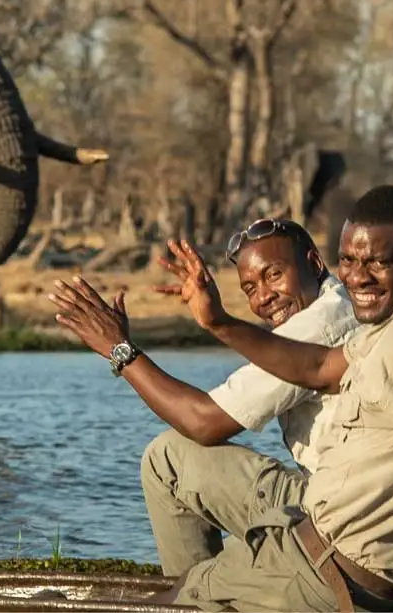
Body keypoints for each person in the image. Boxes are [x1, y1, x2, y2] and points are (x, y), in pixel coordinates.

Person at [49, 186, 393, 613]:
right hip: (337, 539)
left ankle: (210, 593)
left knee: (173, 605)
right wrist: (219, 323)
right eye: (351, 262)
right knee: (170, 469)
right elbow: (317, 367)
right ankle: (214, 590)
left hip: (330, 566)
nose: (360, 277)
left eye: (379, 263)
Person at [48, 217, 359, 583]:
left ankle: (192, 599)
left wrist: (121, 352)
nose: (263, 297)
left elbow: (204, 422)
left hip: (336, 518)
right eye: (249, 288)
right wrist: (219, 320)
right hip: (354, 506)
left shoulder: (318, 327)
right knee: (230, 550)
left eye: (274, 275)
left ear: (314, 263)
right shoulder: (339, 303)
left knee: (168, 459)